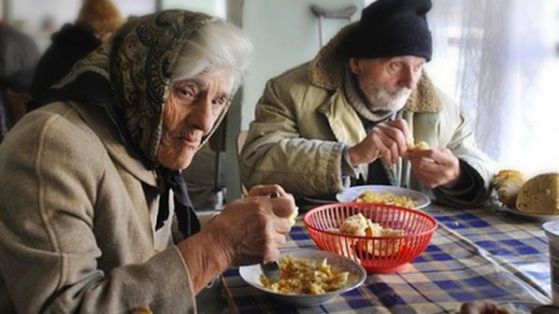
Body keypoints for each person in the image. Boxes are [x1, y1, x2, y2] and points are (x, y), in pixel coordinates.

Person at [0, 10, 296, 313]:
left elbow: (146, 241)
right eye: (186, 92)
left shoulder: (141, 135)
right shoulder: (51, 144)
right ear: (142, 81)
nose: (205, 123)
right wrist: (218, 246)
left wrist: (232, 223)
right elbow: (65, 308)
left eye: (218, 100)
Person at [240, 0, 495, 208]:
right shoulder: (289, 92)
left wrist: (458, 176)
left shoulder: (439, 107)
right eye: (395, 65)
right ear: (356, 63)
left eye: (418, 67)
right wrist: (349, 156)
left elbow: (486, 171)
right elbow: (257, 163)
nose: (410, 82)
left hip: (408, 238)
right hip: (319, 235)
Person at [29, 0, 123, 107]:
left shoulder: (65, 42)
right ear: (104, 28)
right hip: (58, 115)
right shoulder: (91, 52)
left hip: (39, 112)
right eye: (111, 32)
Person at [0, 21, 40, 142]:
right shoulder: (20, 36)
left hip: (22, 92)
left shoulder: (4, 38)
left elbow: (5, 69)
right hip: (35, 89)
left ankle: (6, 136)